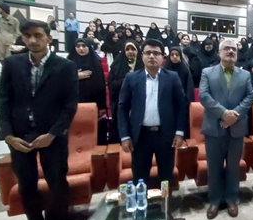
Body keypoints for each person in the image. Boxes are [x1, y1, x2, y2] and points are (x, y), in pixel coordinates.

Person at [0, 20, 78, 220]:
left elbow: (69, 105)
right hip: (20, 136)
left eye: (38, 35)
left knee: (57, 182)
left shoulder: (65, 66)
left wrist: (52, 134)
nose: (32, 40)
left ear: (49, 38)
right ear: (22, 38)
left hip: (52, 135)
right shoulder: (12, 64)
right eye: (27, 36)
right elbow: (3, 100)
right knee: (27, 185)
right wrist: (8, 135)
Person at [117, 39, 186, 185]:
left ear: (162, 57)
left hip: (165, 135)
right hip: (140, 136)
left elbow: (181, 106)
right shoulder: (131, 78)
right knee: (140, 178)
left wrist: (179, 132)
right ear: (142, 56)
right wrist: (125, 136)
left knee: (166, 177)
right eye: (148, 53)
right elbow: (122, 108)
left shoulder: (172, 78)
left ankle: (165, 200)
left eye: (156, 53)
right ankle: (142, 200)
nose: (152, 56)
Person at [199, 39, 253, 219]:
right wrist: (223, 114)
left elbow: (249, 97)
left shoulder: (245, 75)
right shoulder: (207, 72)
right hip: (214, 128)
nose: (230, 51)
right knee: (214, 167)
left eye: (234, 49)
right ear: (219, 53)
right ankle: (215, 200)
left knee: (233, 167)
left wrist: (234, 115)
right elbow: (204, 96)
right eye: (227, 48)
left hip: (236, 129)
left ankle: (231, 199)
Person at [108, 41, 143, 143]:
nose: (130, 52)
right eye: (127, 49)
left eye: (133, 49)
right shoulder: (117, 66)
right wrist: (127, 79)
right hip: (122, 103)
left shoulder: (143, 65)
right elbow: (112, 84)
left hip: (140, 104)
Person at [67, 39, 107, 112]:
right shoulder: (68, 64)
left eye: (84, 46)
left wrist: (102, 106)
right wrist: (75, 76)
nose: (81, 48)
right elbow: (62, 83)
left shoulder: (95, 64)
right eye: (78, 46)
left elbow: (101, 86)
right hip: (73, 102)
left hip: (92, 101)